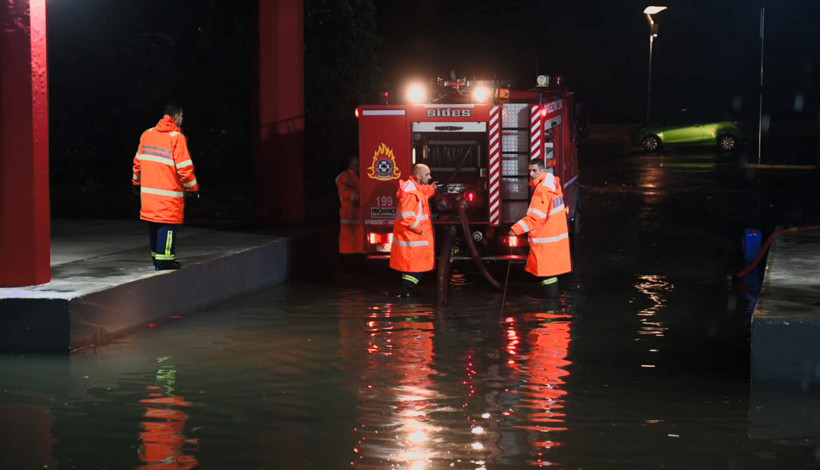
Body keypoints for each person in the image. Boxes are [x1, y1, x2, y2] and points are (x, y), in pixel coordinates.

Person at [132, 103, 199, 270]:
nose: (183, 119)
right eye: (182, 116)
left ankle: (157, 260)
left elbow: (137, 163)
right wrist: (193, 189)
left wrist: (136, 183)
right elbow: (185, 169)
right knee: (167, 227)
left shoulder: (147, 134)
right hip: (168, 196)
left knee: (154, 225)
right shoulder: (176, 138)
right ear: (176, 117)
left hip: (148, 195)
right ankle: (165, 262)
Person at [509, 158, 571, 297]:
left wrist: (515, 229)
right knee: (550, 275)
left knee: (547, 275)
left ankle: (548, 311)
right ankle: (551, 311)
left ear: (543, 170)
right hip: (554, 237)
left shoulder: (542, 190)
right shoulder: (553, 183)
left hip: (546, 240)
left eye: (534, 170)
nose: (531, 173)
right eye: (530, 170)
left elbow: (534, 218)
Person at [389, 163, 436, 297]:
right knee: (415, 271)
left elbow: (422, 191)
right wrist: (420, 230)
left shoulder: (413, 188)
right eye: (427, 174)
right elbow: (407, 216)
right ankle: (407, 295)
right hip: (413, 240)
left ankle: (408, 297)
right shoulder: (410, 193)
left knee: (411, 270)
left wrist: (432, 189)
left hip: (413, 241)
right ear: (419, 176)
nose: (430, 177)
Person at [336, 155, 364, 256]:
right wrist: (361, 197)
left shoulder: (361, 176)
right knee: (349, 248)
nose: (358, 167)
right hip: (349, 216)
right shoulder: (344, 177)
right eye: (356, 165)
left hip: (359, 216)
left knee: (359, 247)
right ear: (350, 164)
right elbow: (345, 194)